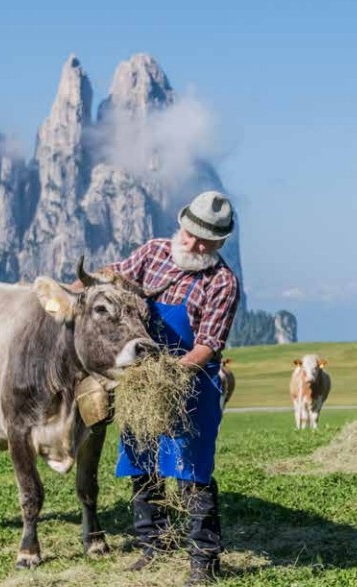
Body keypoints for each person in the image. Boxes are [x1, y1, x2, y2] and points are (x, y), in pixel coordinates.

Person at [109, 191, 240, 585]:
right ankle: (153, 545)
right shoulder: (152, 252)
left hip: (190, 384)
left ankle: (204, 559)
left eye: (205, 240)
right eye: (190, 233)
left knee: (193, 469)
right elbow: (114, 278)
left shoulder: (222, 282)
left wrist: (170, 373)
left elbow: (208, 344)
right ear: (181, 224)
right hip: (141, 380)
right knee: (141, 460)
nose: (194, 244)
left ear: (220, 242)